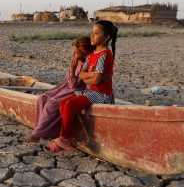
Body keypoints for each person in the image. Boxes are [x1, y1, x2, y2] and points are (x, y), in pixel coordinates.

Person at [47, 20, 118, 153]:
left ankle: (63, 138)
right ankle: (71, 137)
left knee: (69, 105)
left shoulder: (104, 55)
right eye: (92, 33)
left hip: (102, 94)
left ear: (107, 37)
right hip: (91, 92)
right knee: (63, 103)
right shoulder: (92, 55)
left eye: (96, 34)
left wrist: (94, 76)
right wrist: (94, 74)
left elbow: (96, 81)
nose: (92, 36)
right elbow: (81, 75)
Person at [24, 36, 93, 142]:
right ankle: (40, 130)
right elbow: (67, 81)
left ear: (83, 52)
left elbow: (74, 85)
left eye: (76, 52)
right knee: (42, 98)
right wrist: (72, 69)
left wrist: (72, 69)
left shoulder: (85, 66)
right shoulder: (76, 61)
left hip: (75, 90)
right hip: (64, 87)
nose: (73, 54)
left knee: (52, 104)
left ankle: (37, 134)